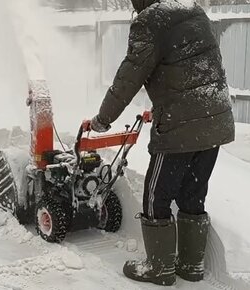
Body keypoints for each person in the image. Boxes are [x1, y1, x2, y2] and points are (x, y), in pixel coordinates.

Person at [90, 0, 235, 286]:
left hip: (179, 126)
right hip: (215, 117)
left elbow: (130, 76)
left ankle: (159, 269)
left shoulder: (150, 21)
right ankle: (191, 265)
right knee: (193, 193)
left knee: (157, 196)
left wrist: (103, 118)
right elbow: (188, 67)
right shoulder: (193, 10)